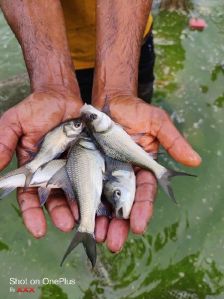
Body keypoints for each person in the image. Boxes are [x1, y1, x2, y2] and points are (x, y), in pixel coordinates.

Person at [0, 0, 201, 253]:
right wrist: (52, 82)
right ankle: (88, 228)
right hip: (57, 52)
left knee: (141, 96)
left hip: (131, 42)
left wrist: (118, 88)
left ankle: (88, 229)